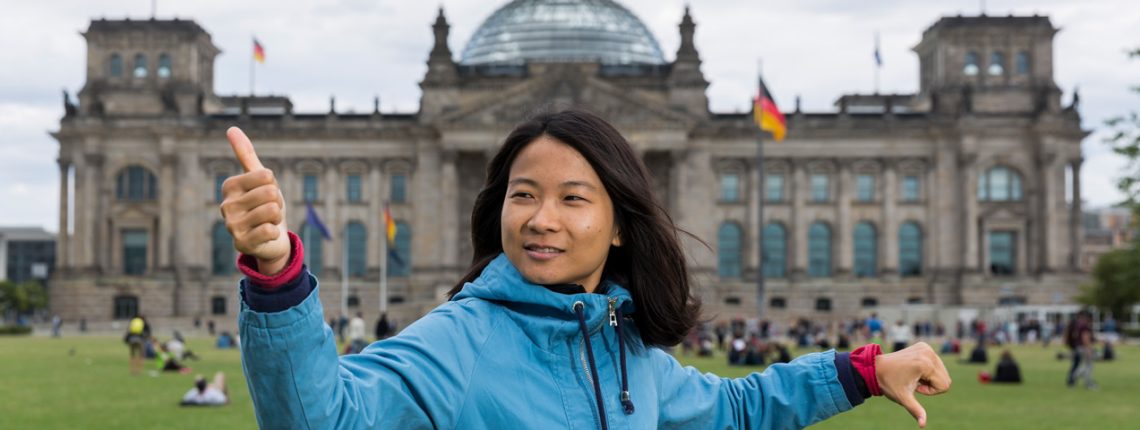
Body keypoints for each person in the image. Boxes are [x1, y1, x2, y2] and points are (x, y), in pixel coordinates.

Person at [220, 111, 951, 429]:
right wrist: (278, 273)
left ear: (621, 225)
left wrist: (860, 372)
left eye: (574, 198)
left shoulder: (626, 351)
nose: (542, 219)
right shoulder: (459, 342)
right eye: (523, 195)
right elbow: (322, 420)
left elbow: (736, 412)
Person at [1066, 311, 1097, 389]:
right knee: (1089, 365)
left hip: (1079, 347)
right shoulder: (1085, 326)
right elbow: (1085, 338)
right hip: (1084, 347)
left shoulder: (1078, 325)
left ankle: (1075, 377)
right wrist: (1089, 349)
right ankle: (1082, 380)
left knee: (1086, 365)